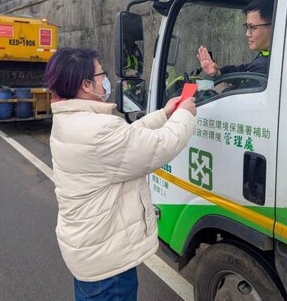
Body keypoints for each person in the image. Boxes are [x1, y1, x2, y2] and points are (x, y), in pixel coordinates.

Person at [44, 47, 197, 301]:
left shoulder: (70, 120)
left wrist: (164, 114)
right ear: (86, 84)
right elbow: (159, 146)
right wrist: (184, 114)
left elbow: (124, 143)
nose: (105, 79)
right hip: (107, 264)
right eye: (101, 74)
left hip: (90, 251)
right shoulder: (98, 130)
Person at [197, 0, 274, 77]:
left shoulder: (266, 65)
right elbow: (245, 70)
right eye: (247, 27)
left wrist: (222, 87)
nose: (247, 34)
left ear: (273, 26)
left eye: (252, 27)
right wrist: (218, 73)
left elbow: (247, 88)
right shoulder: (269, 54)